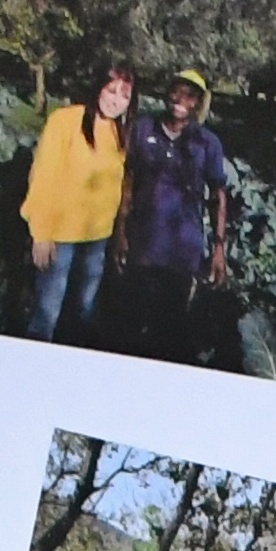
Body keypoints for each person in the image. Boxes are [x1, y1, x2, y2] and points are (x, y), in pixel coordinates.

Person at [115, 66, 235, 355]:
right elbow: (127, 181)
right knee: (128, 326)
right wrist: (119, 231)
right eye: (176, 92)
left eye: (190, 96)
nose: (180, 100)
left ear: (198, 103)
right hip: (141, 246)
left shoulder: (207, 143)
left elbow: (218, 195)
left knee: (169, 330)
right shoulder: (143, 128)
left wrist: (218, 248)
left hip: (182, 252)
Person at [24, 67, 134, 341]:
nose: (115, 100)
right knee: (47, 312)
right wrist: (41, 233)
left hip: (96, 240)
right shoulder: (64, 121)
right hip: (59, 237)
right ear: (98, 88)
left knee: (82, 313)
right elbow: (43, 175)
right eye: (111, 90)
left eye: (124, 95)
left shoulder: (120, 133)